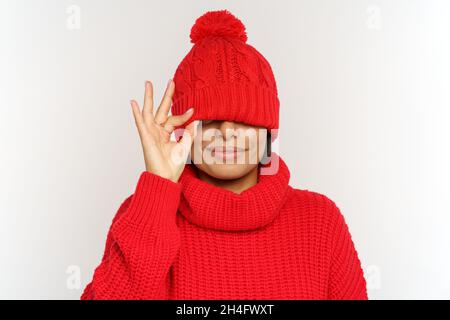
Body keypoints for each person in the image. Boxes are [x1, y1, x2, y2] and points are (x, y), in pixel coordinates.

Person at [81, 9, 368, 300]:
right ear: (182, 131)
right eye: (211, 119)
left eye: (243, 117)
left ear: (269, 130)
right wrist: (158, 189)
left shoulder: (320, 222)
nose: (228, 130)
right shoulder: (143, 214)